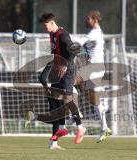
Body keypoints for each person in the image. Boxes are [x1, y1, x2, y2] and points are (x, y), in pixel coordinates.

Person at [25, 13, 85, 150]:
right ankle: (61, 130)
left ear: (52, 23)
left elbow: (75, 50)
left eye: (46, 26)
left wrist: (64, 64)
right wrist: (46, 72)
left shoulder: (62, 35)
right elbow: (56, 55)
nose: (45, 28)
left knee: (67, 98)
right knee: (56, 99)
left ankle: (80, 128)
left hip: (67, 71)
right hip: (57, 69)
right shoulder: (52, 35)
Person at [71, 10, 111, 143]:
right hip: (92, 68)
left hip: (94, 69)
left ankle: (75, 114)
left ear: (95, 20)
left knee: (67, 84)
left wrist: (62, 34)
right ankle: (105, 128)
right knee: (94, 101)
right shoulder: (93, 32)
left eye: (88, 19)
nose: (85, 20)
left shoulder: (94, 33)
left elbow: (79, 41)